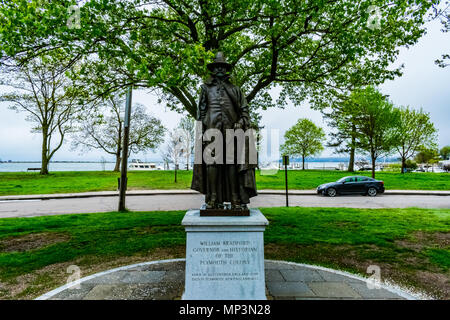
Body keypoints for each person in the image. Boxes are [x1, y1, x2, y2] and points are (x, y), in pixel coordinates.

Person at [191, 52, 257, 210]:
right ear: (213, 70)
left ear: (226, 70)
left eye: (223, 67)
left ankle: (235, 199)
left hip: (231, 133)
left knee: (231, 165)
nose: (220, 69)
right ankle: (213, 199)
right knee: (212, 166)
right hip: (211, 131)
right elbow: (200, 112)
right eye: (217, 67)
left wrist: (241, 122)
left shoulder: (235, 90)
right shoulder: (205, 89)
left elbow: (244, 111)